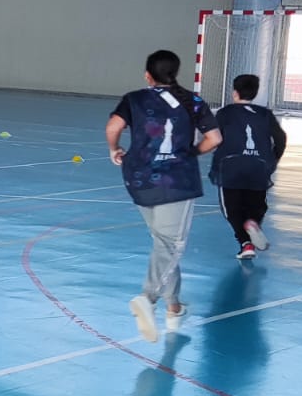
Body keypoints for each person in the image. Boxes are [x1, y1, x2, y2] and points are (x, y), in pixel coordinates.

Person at [106, 49, 222, 343]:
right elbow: (215, 138)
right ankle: (148, 298)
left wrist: (114, 148)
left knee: (163, 244)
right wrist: (192, 153)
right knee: (170, 245)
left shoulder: (134, 98)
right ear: (176, 72)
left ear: (148, 75)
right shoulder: (192, 101)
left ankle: (174, 308)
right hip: (176, 181)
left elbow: (113, 127)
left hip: (139, 178)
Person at [210, 74, 287, 260]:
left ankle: (245, 243)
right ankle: (253, 223)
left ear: (234, 93)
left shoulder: (224, 113)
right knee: (257, 205)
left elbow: (214, 138)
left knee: (232, 209)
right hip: (259, 167)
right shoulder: (265, 114)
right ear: (255, 92)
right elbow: (280, 138)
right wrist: (272, 159)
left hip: (230, 168)